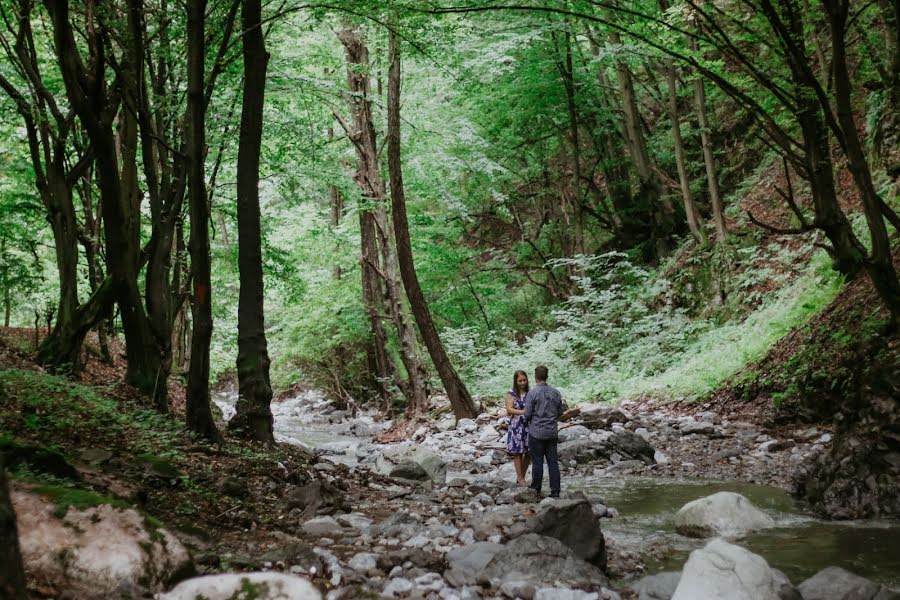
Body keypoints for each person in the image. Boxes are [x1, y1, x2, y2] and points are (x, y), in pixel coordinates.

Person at [523, 365, 567, 498]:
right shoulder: (555, 392)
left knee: (537, 462)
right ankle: (555, 491)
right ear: (546, 376)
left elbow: (527, 414)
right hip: (552, 432)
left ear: (535, 377)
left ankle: (536, 488)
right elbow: (560, 412)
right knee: (553, 462)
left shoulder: (532, 393)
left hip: (536, 433)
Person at [505, 370, 531, 485]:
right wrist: (523, 412)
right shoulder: (511, 393)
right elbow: (509, 410)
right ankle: (520, 478)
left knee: (529, 452)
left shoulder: (530, 392)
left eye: (524, 380)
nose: (522, 382)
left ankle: (521, 477)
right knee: (517, 452)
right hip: (516, 426)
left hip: (529, 426)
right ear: (516, 381)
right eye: (520, 380)